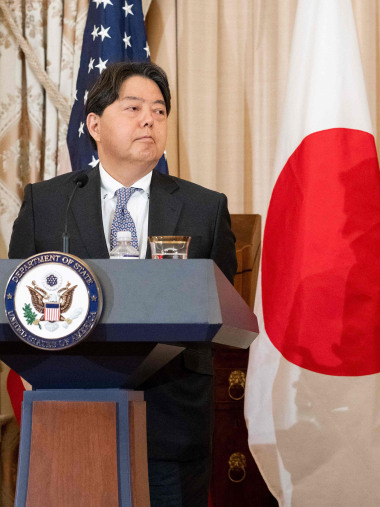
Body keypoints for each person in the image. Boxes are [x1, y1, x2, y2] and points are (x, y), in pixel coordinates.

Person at [8, 62, 236, 507]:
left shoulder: (203, 209)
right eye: (133, 107)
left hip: (170, 423)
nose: (149, 119)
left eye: (159, 110)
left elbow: (222, 314)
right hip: (69, 415)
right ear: (94, 124)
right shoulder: (48, 204)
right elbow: (13, 305)